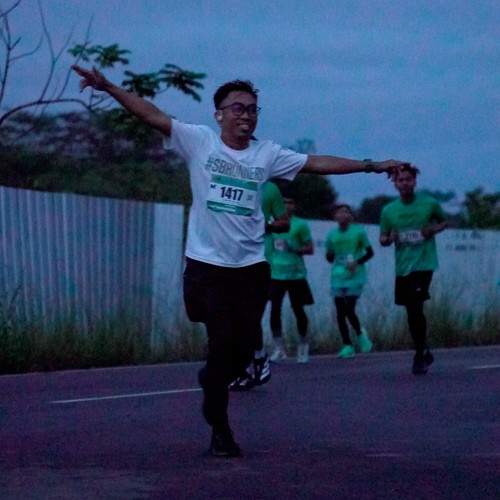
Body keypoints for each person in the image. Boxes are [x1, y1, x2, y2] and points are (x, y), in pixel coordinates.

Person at [72, 64, 410, 457]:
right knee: (221, 341)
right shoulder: (199, 142)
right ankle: (220, 427)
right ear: (219, 114)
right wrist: (109, 87)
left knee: (244, 351)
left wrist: (372, 165)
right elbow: (152, 115)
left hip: (250, 269)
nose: (246, 115)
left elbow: (316, 163)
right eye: (237, 108)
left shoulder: (267, 154)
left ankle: (214, 378)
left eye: (252, 109)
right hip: (207, 268)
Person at [379, 165, 448, 375]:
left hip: (424, 263)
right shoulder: (388, 210)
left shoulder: (429, 203)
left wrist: (432, 230)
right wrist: (389, 238)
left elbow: (444, 221)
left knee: (415, 303)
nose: (405, 183)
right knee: (411, 309)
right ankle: (423, 347)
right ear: (395, 184)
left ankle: (419, 355)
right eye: (401, 180)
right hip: (403, 267)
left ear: (415, 182)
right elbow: (382, 238)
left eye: (408, 179)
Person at [229, 180, 290, 390]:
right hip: (229, 257)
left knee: (249, 315)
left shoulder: (269, 188)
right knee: (231, 316)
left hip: (259, 259)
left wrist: (266, 225)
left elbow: (285, 223)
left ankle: (257, 357)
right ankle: (244, 369)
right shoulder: (228, 181)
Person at [269, 194, 314, 363]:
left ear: (294, 206)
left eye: (290, 203)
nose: (287, 206)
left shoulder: (300, 224)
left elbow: (310, 248)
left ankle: (303, 345)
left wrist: (294, 248)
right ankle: (279, 348)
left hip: (296, 273)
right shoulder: (272, 223)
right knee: (274, 309)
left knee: (298, 309)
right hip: (276, 274)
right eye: (283, 202)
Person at [325, 204, 374, 358]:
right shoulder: (332, 235)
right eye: (339, 212)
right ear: (335, 217)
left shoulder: (359, 232)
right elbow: (329, 257)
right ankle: (347, 345)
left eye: (345, 212)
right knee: (340, 312)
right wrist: (331, 254)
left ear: (350, 216)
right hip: (338, 277)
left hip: (355, 276)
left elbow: (370, 253)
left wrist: (357, 262)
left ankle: (360, 334)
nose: (342, 215)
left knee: (349, 309)